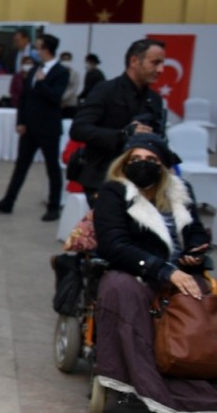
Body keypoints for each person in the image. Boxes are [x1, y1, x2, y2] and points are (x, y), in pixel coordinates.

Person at [93, 134, 217, 412]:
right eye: (135, 158)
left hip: (178, 269)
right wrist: (162, 270)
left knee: (199, 300)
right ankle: (150, 385)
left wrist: (195, 250)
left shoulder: (179, 190)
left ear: (163, 165)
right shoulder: (114, 192)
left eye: (151, 159)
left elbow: (195, 230)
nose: (142, 163)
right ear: (124, 162)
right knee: (122, 292)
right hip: (132, 268)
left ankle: (198, 368)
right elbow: (113, 245)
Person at [70, 39, 165, 207]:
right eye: (155, 63)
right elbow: (79, 129)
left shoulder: (154, 99)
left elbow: (159, 137)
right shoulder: (105, 90)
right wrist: (123, 135)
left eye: (162, 63)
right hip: (103, 177)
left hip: (142, 181)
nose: (161, 69)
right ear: (134, 61)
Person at [0, 34, 69, 221]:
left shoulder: (61, 72)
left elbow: (55, 97)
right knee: (21, 166)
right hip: (29, 128)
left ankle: (53, 206)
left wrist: (42, 83)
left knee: (52, 168)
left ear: (46, 49)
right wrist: (20, 121)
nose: (36, 51)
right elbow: (24, 98)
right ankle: (8, 201)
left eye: (38, 47)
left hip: (48, 128)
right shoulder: (34, 69)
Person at [59, 51, 80, 119]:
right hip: (57, 104)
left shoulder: (74, 73)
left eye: (68, 59)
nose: (66, 61)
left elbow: (74, 88)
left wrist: (63, 99)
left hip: (70, 103)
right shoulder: (56, 72)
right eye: (64, 59)